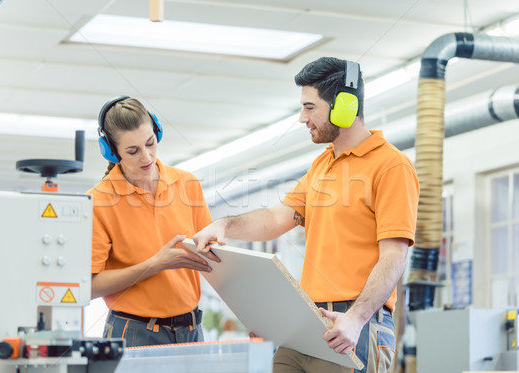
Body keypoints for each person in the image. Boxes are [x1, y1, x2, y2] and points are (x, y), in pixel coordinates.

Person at [194, 57, 419, 372]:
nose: (302, 118)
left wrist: (355, 319)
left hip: (353, 325)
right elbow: (275, 219)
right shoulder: (321, 166)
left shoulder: (391, 166)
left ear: (344, 105)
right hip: (306, 324)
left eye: (309, 107)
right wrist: (224, 225)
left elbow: (393, 257)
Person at [88, 96, 213, 347]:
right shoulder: (98, 201)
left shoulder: (187, 184)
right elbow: (88, 287)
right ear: (111, 151)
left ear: (157, 133)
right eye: (132, 151)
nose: (146, 157)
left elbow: (213, 255)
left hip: (191, 330)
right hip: (134, 332)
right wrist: (154, 265)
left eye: (150, 143)